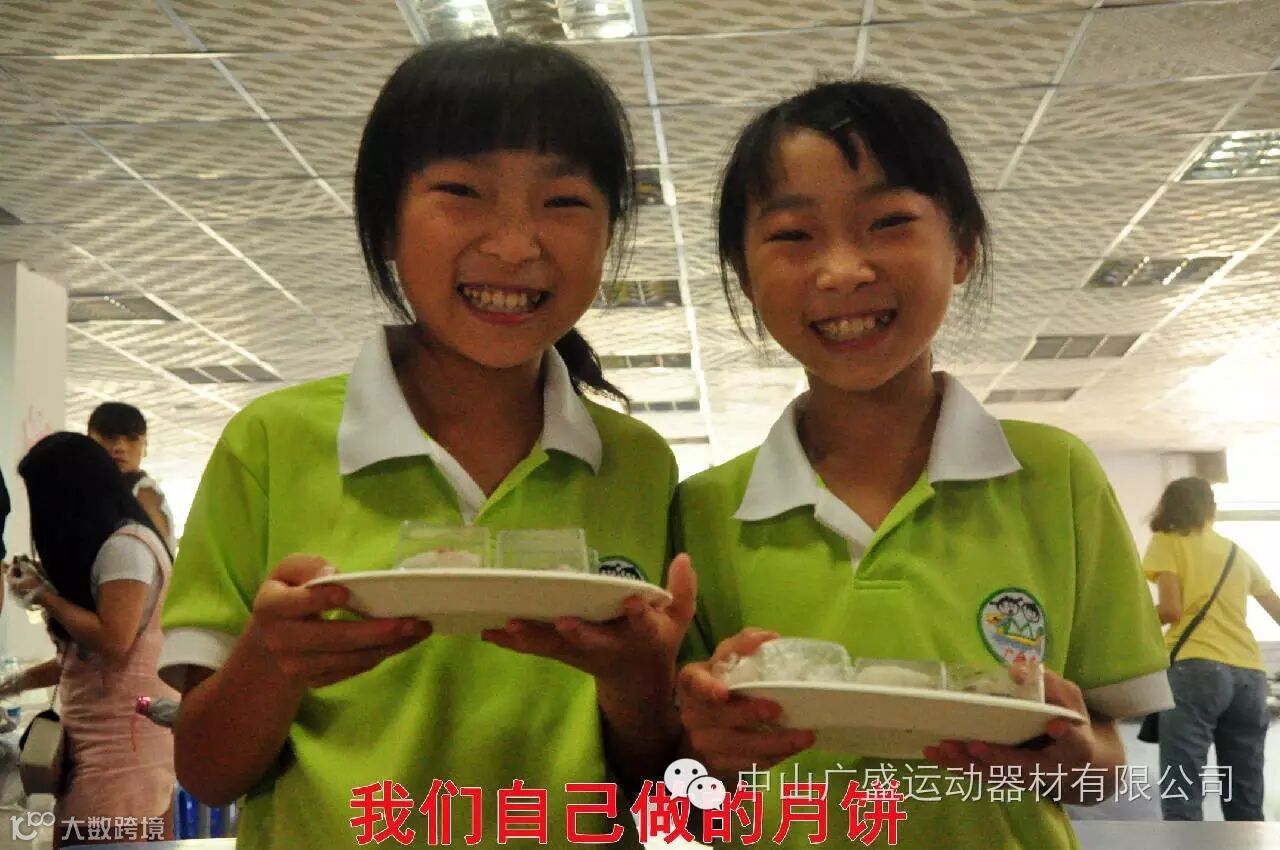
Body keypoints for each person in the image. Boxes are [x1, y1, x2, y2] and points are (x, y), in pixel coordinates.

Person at [159, 37, 693, 849]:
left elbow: (652, 785)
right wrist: (272, 660)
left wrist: (639, 683)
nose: (515, 245)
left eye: (564, 202)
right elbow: (206, 771)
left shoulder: (638, 464)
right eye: (462, 192)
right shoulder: (272, 442)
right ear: (385, 223)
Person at [673, 80, 1172, 848]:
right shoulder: (704, 508)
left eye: (888, 222)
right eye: (793, 235)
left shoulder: (1054, 475)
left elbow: (1104, 762)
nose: (842, 270)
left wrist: (1072, 757)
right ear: (744, 274)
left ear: (962, 247)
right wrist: (705, 740)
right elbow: (684, 780)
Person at [1, 432, 178, 847]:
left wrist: (45, 597)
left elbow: (113, 642)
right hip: (104, 749)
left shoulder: (126, 549)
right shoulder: (117, 547)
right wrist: (16, 683)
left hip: (121, 754)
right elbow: (83, 659)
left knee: (101, 836)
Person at [1143, 476, 1280, 821]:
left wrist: (1131, 625)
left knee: (1183, 789)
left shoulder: (1168, 542)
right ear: (1211, 509)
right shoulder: (1236, 552)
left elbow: (1171, 610)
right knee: (1245, 793)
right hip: (1250, 675)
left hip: (1195, 669)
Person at [88, 402, 176, 551]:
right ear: (89, 441)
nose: (120, 447)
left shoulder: (144, 494)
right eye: (109, 437)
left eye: (132, 439)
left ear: (145, 447)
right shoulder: (86, 488)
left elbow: (156, 555)